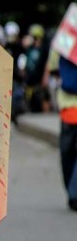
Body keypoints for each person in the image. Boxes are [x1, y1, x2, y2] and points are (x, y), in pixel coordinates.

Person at [44, 48, 77, 211]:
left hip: (69, 106)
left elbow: (53, 68)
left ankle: (72, 193)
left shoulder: (66, 37)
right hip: (69, 109)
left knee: (67, 153)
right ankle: (74, 193)